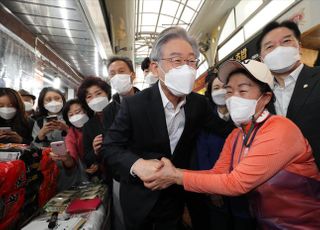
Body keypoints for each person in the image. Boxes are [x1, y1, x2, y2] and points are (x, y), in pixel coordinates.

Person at [144, 59, 320, 230]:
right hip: (266, 223)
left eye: (243, 91)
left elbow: (237, 183)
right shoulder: (236, 135)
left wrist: (175, 176)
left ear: (265, 98)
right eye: (229, 91)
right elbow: (217, 173)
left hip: (303, 223)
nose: (233, 97)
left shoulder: (280, 129)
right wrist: (174, 172)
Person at [103, 27, 231, 230]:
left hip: (177, 198)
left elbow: (226, 131)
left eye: (191, 61)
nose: (186, 68)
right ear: (155, 68)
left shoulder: (199, 104)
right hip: (140, 198)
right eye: (176, 60)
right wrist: (137, 165)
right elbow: (110, 147)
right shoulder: (134, 105)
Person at [257, 20, 320, 168]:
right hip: (282, 182)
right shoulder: (261, 96)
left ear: (299, 48)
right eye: (270, 46)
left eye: (286, 41)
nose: (279, 49)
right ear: (262, 59)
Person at [103, 56, 140, 230]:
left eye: (121, 71)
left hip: (148, 169)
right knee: (125, 218)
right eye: (112, 74)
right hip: (122, 175)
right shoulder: (109, 110)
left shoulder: (148, 100)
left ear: (132, 75)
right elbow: (110, 144)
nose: (117, 76)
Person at [77, 76, 111, 181]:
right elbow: (87, 157)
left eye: (98, 93)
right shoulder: (88, 126)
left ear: (107, 93)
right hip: (107, 174)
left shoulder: (122, 112)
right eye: (89, 96)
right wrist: (95, 151)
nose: (95, 99)